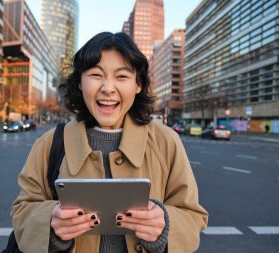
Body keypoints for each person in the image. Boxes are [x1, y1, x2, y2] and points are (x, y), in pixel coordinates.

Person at [11, 32, 208, 253]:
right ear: (79, 83)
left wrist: (164, 225)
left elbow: (193, 216)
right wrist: (49, 221)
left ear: (138, 85)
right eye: (96, 74)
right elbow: (22, 210)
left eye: (122, 76)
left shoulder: (166, 141)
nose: (108, 88)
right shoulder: (49, 144)